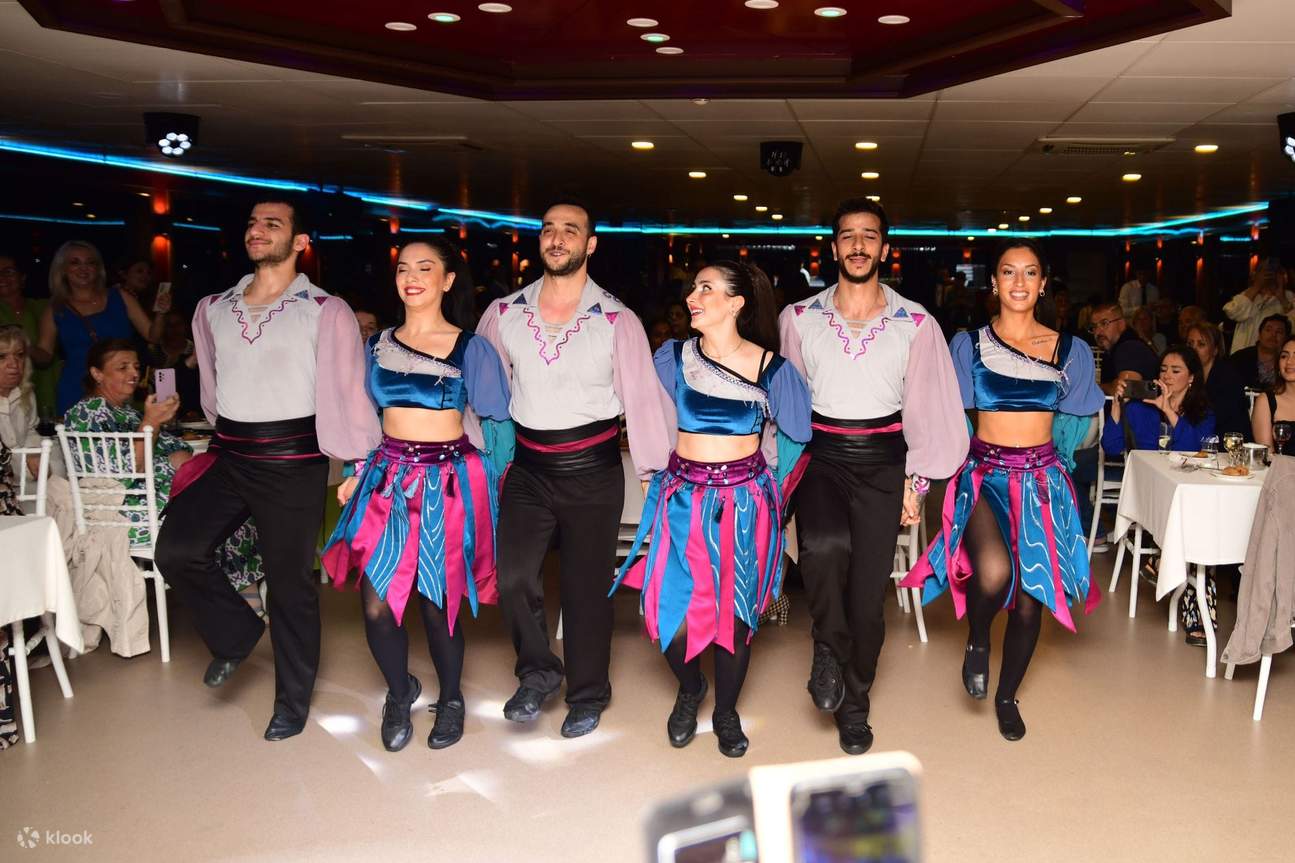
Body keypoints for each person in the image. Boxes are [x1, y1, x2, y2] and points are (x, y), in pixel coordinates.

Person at [154, 196, 380, 742]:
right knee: (176, 550)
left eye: (272, 224)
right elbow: (212, 389)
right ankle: (236, 634)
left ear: (299, 242)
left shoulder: (326, 310)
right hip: (230, 452)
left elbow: (348, 389)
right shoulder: (212, 308)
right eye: (253, 222)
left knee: (289, 585)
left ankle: (291, 702)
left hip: (294, 459)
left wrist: (360, 462)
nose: (257, 230)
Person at [778, 198, 968, 755]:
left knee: (867, 599)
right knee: (823, 548)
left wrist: (918, 483)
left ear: (885, 248)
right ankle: (826, 647)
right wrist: (777, 477)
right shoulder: (798, 318)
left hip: (885, 461)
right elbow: (787, 407)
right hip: (821, 456)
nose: (858, 245)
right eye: (847, 235)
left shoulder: (917, 323)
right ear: (833, 247)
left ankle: (854, 703)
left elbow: (930, 408)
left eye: (869, 236)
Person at [475, 200, 671, 739]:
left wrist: (654, 474)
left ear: (590, 244)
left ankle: (588, 694)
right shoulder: (503, 313)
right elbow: (485, 397)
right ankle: (538, 671)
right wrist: (482, 460)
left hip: (593, 470)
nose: (557, 238)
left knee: (586, 590)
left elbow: (642, 401)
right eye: (548, 230)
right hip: (528, 469)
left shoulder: (617, 320)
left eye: (570, 231)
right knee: (514, 578)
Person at [902, 240, 1104, 741]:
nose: (1019, 282)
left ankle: (1007, 697)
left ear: (1042, 284)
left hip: (1041, 480)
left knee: (1033, 599)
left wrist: (1062, 478)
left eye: (1029, 273)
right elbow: (946, 423)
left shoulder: (1071, 351)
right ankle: (977, 640)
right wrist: (919, 481)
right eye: (1008, 272)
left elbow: (1074, 429)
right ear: (993, 283)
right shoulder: (968, 346)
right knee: (993, 573)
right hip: (982, 476)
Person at [611, 261, 811, 757]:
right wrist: (652, 473)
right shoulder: (672, 358)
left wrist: (774, 496)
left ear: (737, 303)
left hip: (744, 507)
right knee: (668, 616)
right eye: (693, 288)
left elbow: (797, 439)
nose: (693, 297)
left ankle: (725, 711)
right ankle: (691, 687)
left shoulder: (773, 370)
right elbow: (650, 417)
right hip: (682, 501)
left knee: (735, 619)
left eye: (707, 288)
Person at [321, 239, 512, 752]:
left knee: (436, 604)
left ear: (447, 281)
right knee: (377, 605)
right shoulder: (377, 345)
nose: (412, 277)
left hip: (447, 483)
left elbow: (498, 426)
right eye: (404, 268)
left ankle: (450, 700)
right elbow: (364, 419)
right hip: (385, 480)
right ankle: (399, 691)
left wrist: (492, 491)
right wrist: (355, 470)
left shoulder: (472, 348)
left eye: (425, 268)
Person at [63, 339, 262, 588]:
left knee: (234, 502)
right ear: (97, 373)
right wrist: (152, 423)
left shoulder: (129, 412)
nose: (134, 374)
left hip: (160, 496)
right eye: (123, 367)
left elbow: (176, 448)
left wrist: (160, 432)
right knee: (224, 508)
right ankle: (233, 591)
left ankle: (237, 589)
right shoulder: (86, 413)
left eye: (136, 367)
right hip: (127, 509)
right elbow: (121, 475)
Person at [1103, 346, 1217, 644]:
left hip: (1187, 491)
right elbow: (1112, 447)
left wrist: (1168, 410)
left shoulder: (1202, 413)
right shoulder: (1140, 408)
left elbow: (1198, 451)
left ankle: (1166, 563)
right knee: (1197, 530)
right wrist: (1117, 406)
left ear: (1191, 378)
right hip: (1149, 492)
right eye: (1163, 369)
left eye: (1176, 371)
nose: (1167, 375)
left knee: (1197, 525)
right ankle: (1199, 616)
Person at [31, 241, 167, 415]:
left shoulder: (120, 297)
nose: (83, 268)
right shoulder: (55, 308)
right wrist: (25, 347)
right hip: (75, 388)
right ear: (62, 269)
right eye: (75, 262)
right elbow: (44, 355)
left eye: (90, 262)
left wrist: (161, 312)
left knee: (122, 431)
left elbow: (152, 336)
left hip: (119, 386)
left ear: (98, 268)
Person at [0, 254, 56, 417]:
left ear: (22, 277)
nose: (1, 277)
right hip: (6, 384)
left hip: (46, 381)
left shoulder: (43, 307)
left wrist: (22, 348)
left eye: (8, 272)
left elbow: (46, 355)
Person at [1185, 322, 1249, 439]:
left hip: (1228, 441)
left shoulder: (1228, 377)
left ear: (1215, 350)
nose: (1193, 349)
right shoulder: (1187, 372)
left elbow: (1216, 419)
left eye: (1201, 344)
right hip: (1199, 437)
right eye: (1190, 344)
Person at [1223, 261, 1293, 354]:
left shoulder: (1289, 297)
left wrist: (1282, 298)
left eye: (1274, 271)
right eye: (1263, 271)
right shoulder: (1247, 295)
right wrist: (1256, 287)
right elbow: (1232, 313)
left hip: (1275, 356)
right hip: (1243, 354)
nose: (1268, 275)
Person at [1089, 301, 1158, 394]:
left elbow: (1126, 390)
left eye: (1104, 323)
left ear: (1121, 324)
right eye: (1094, 327)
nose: (1098, 332)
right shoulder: (1112, 349)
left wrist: (1095, 387)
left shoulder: (1129, 348)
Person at [1251, 336, 1295, 455]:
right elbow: (1268, 456)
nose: (1289, 362)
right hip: (1279, 467)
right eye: (1284, 356)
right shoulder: (1266, 401)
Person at [1229, 314, 1292, 392]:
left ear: (1286, 338)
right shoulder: (1239, 359)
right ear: (1259, 334)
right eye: (1268, 330)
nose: (1273, 335)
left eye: (1279, 332)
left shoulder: (1289, 363)